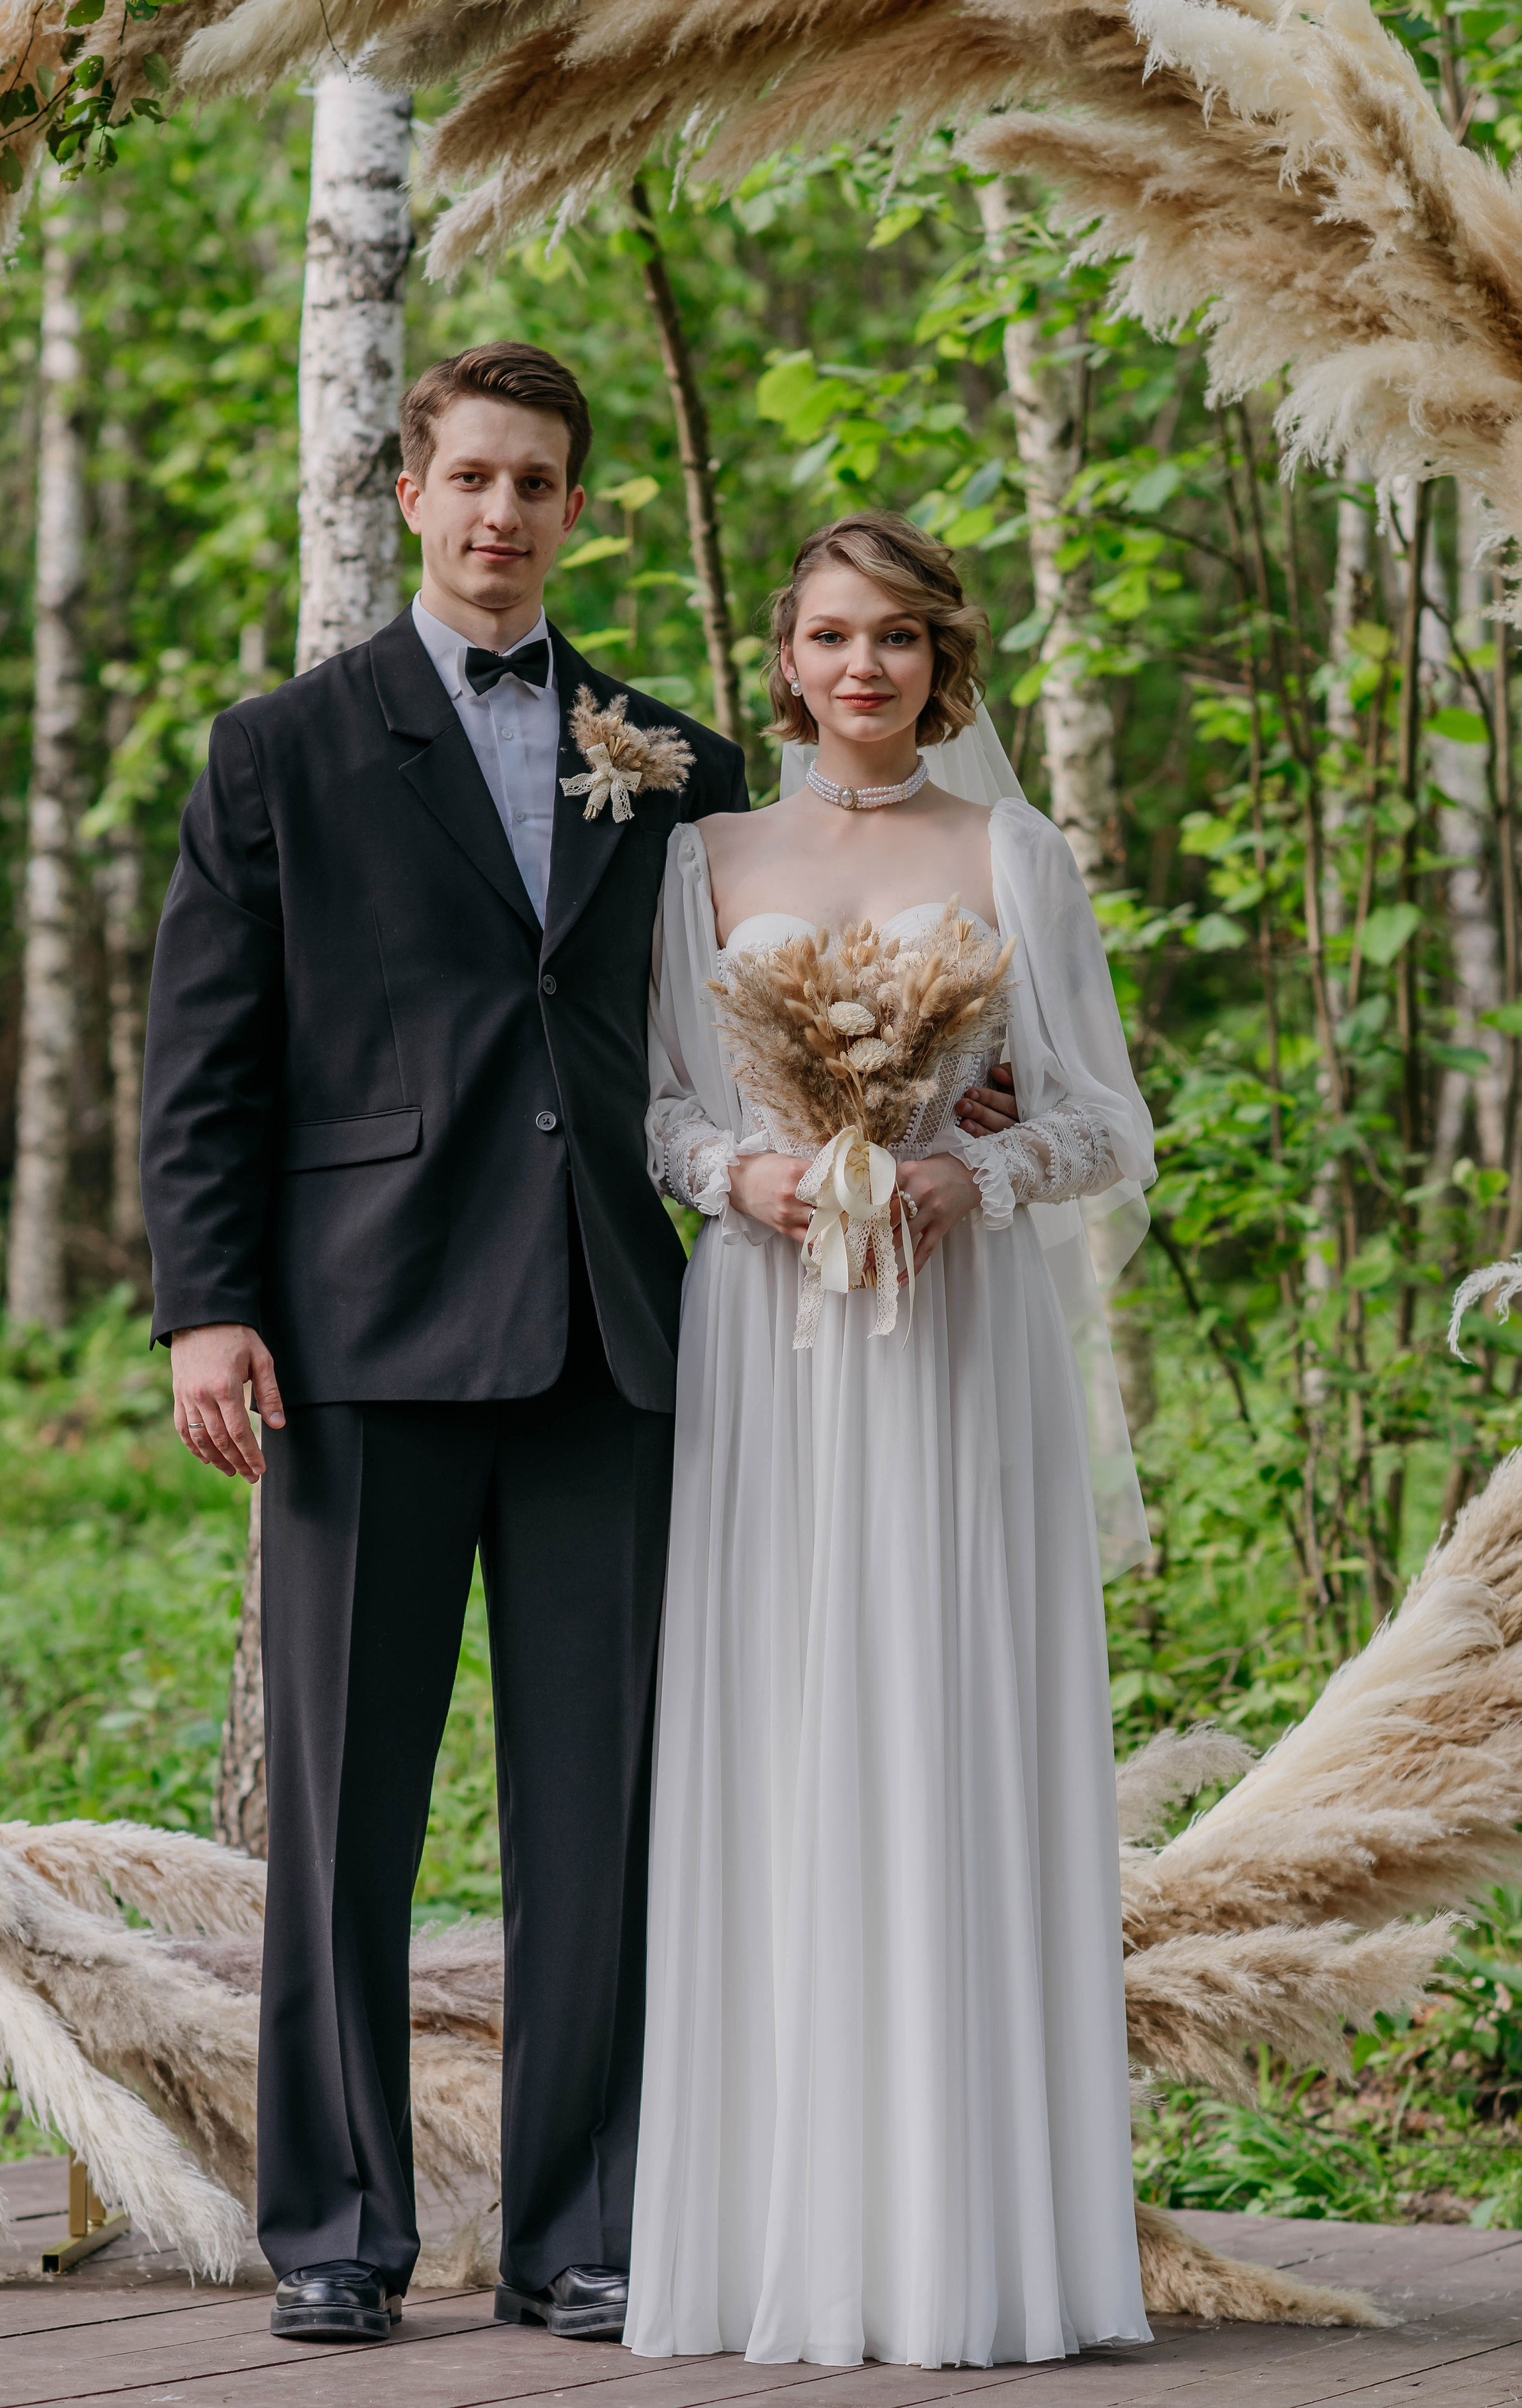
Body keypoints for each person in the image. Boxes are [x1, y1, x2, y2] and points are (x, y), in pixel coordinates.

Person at [139, 341, 750, 2343]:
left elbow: (763, 1019)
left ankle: (581, 2226)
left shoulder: (676, 760)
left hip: (608, 1342)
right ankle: (334, 2228)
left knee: (601, 1804)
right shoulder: (278, 752)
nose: (503, 514)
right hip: (359, 1337)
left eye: (540, 484)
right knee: (344, 1817)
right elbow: (203, 1065)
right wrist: (206, 1303)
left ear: (579, 511)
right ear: (412, 496)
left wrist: (940, 1110)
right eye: (472, 478)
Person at [630, 513, 1156, 2369]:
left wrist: (964, 1170)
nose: (864, 669)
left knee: (945, 1722)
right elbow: (660, 1117)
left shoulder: (1014, 852)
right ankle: (778, 2224)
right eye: (832, 636)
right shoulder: (705, 858)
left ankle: (970, 2240)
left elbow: (1106, 1127)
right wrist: (750, 1170)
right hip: (771, 1340)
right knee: (781, 1732)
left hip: (954, 1343)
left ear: (945, 661)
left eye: (900, 640)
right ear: (785, 657)